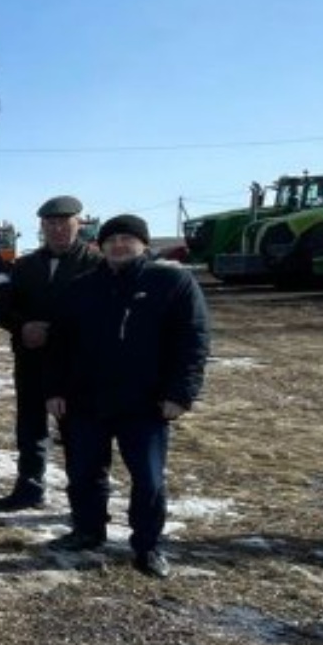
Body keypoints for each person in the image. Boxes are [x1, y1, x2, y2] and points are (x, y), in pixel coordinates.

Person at [45, 214, 210, 579]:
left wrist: (180, 393)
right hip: (86, 400)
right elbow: (59, 344)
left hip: (146, 402)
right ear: (100, 246)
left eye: (127, 239)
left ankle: (148, 545)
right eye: (111, 240)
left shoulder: (171, 282)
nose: (119, 245)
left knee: (148, 478)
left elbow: (193, 340)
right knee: (84, 472)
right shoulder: (82, 287)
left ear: (143, 244)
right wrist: (54, 389)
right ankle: (88, 530)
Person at [0, 195, 103, 511]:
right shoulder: (25, 266)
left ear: (78, 224)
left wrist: (52, 331)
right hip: (31, 359)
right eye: (50, 223)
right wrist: (22, 326)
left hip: (75, 365)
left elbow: (98, 315)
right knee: (30, 428)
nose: (57, 229)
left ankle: (84, 501)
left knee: (77, 432)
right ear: (42, 227)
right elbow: (5, 307)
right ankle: (29, 489)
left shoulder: (95, 264)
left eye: (64, 223)